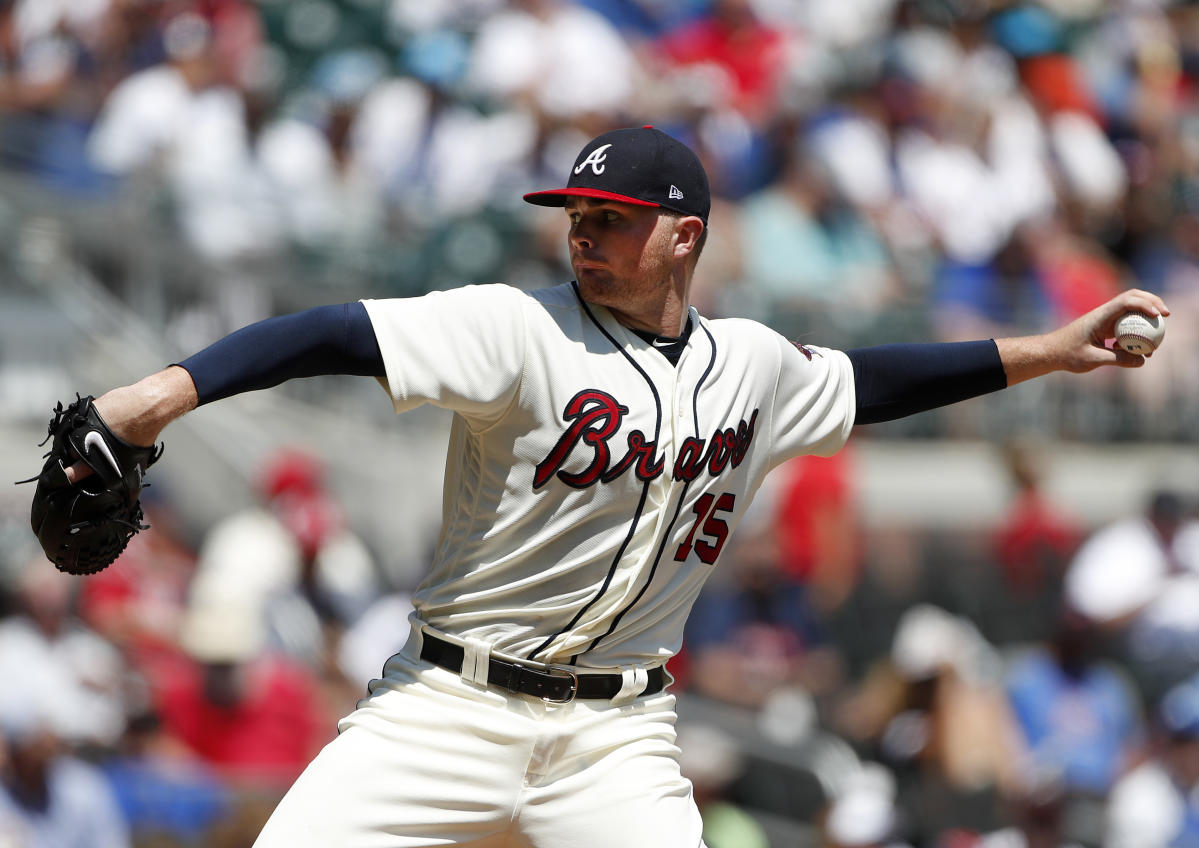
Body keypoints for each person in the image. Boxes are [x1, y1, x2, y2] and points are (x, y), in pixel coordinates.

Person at [52, 125, 1169, 847]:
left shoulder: (757, 367)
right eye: (576, 218)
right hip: (447, 703)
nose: (582, 237)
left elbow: (873, 380)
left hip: (617, 736)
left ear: (682, 236)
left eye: (611, 223)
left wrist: (1048, 348)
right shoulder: (514, 327)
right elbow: (336, 332)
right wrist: (160, 397)